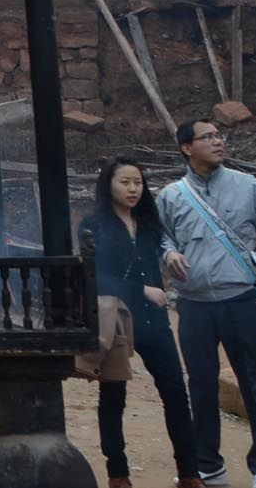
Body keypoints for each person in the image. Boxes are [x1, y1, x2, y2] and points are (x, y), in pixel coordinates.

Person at [158, 118, 256, 488]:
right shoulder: (171, 195)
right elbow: (161, 237)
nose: (218, 142)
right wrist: (168, 254)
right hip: (194, 304)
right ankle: (208, 465)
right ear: (187, 148)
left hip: (242, 300)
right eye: (208, 137)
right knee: (200, 385)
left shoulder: (248, 187)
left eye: (220, 136)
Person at [81, 156, 202, 488]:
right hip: (116, 319)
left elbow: (164, 252)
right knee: (113, 396)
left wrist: (171, 260)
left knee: (176, 394)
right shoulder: (92, 225)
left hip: (154, 322)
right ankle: (118, 474)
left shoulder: (150, 223)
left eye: (138, 182)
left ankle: (190, 474)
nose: (133, 189)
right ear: (108, 185)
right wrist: (141, 289)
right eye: (125, 182)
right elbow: (96, 276)